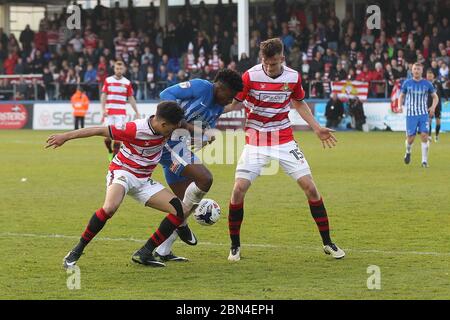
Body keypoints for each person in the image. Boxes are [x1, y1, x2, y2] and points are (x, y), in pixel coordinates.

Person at [225, 38, 345, 261]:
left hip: (284, 139)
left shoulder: (293, 77)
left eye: (273, 63)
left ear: (282, 58)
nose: (269, 67)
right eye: (265, 63)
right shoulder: (250, 76)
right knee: (238, 190)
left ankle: (328, 243)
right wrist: (210, 113)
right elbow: (235, 102)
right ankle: (235, 245)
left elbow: (299, 102)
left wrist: (317, 128)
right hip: (256, 140)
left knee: (310, 188)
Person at [46, 101, 188, 268]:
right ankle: (77, 250)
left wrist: (203, 137)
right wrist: (65, 136)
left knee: (181, 211)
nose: (172, 132)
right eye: (171, 128)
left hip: (144, 180)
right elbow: (98, 130)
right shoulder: (134, 129)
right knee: (110, 207)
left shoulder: (166, 126)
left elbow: (183, 126)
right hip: (123, 172)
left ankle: (145, 252)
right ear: (163, 124)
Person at [154, 69, 244, 262]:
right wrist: (179, 121)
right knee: (203, 181)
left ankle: (163, 251)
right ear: (219, 87)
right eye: (230, 96)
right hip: (167, 145)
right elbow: (165, 95)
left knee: (184, 203)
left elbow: (202, 129)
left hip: (180, 148)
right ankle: (181, 227)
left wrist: (205, 137)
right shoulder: (201, 86)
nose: (230, 101)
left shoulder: (218, 108)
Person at [398, 63, 438, 168]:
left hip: (423, 114)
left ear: (421, 71)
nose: (416, 71)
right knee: (411, 138)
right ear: (412, 71)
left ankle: (424, 161)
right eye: (415, 69)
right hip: (411, 114)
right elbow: (401, 96)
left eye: (418, 69)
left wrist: (433, 107)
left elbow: (435, 97)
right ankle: (408, 151)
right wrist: (399, 106)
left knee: (424, 136)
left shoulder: (427, 84)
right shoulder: (407, 83)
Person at [101, 60, 140, 161]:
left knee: (118, 137)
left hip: (120, 113)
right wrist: (103, 109)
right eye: (117, 68)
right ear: (114, 69)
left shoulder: (127, 82)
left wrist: (136, 111)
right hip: (109, 112)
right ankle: (110, 150)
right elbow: (104, 95)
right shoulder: (108, 80)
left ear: (124, 69)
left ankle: (114, 157)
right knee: (107, 137)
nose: (119, 70)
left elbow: (131, 98)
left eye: (120, 69)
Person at [426, 69, 445, 142]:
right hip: (429, 105)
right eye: (428, 75)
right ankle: (429, 136)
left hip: (438, 105)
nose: (429, 76)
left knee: (438, 122)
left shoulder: (438, 83)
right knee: (429, 121)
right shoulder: (425, 84)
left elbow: (442, 91)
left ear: (433, 76)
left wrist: (446, 98)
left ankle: (436, 136)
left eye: (430, 75)